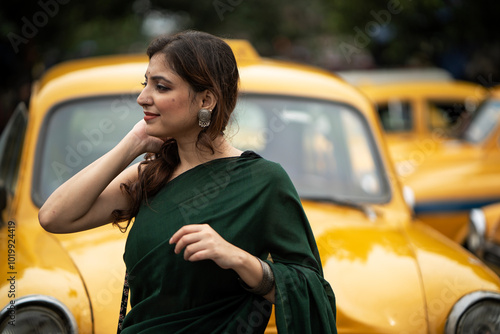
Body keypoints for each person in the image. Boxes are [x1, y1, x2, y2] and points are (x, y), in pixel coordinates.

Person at [39, 30, 337, 334]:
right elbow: (54, 217)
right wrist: (132, 144)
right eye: (146, 84)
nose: (143, 98)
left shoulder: (264, 181)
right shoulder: (153, 175)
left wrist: (239, 259)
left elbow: (310, 290)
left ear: (206, 99)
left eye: (161, 86)